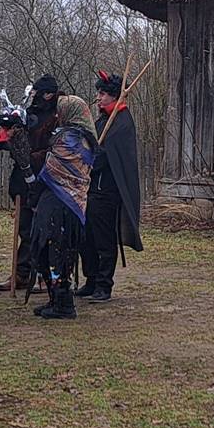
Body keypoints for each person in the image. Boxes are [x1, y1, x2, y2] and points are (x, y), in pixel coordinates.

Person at [27, 94, 95, 320]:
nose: (57, 115)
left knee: (58, 252)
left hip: (64, 204)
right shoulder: (74, 137)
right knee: (48, 250)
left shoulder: (72, 139)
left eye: (61, 111)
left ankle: (64, 304)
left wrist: (29, 164)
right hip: (62, 203)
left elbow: (53, 168)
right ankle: (55, 298)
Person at [82, 71, 144, 303]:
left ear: (115, 96)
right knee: (86, 239)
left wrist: (90, 161)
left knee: (103, 239)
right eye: (98, 93)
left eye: (103, 94)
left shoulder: (122, 122)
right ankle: (91, 279)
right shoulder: (102, 120)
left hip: (106, 191)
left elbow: (111, 157)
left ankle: (104, 285)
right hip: (90, 190)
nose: (98, 98)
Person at [0, 75, 60, 293]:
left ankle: (42, 274)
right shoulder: (27, 114)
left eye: (37, 93)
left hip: (47, 179)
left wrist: (35, 157)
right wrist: (10, 139)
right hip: (23, 180)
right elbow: (13, 138)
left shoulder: (58, 116)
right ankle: (21, 273)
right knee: (25, 228)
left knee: (45, 229)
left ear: (47, 94)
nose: (33, 97)